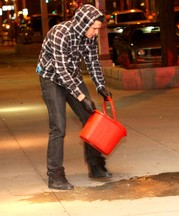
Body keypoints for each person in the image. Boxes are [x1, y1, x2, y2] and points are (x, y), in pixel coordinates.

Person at [36, 4, 112, 190]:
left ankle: (95, 165)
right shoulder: (60, 33)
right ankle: (55, 175)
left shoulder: (89, 38)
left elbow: (93, 62)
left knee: (91, 119)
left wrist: (100, 86)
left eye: (98, 29)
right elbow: (60, 70)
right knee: (58, 127)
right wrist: (80, 96)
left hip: (72, 76)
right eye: (94, 28)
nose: (95, 32)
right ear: (82, 23)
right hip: (52, 78)